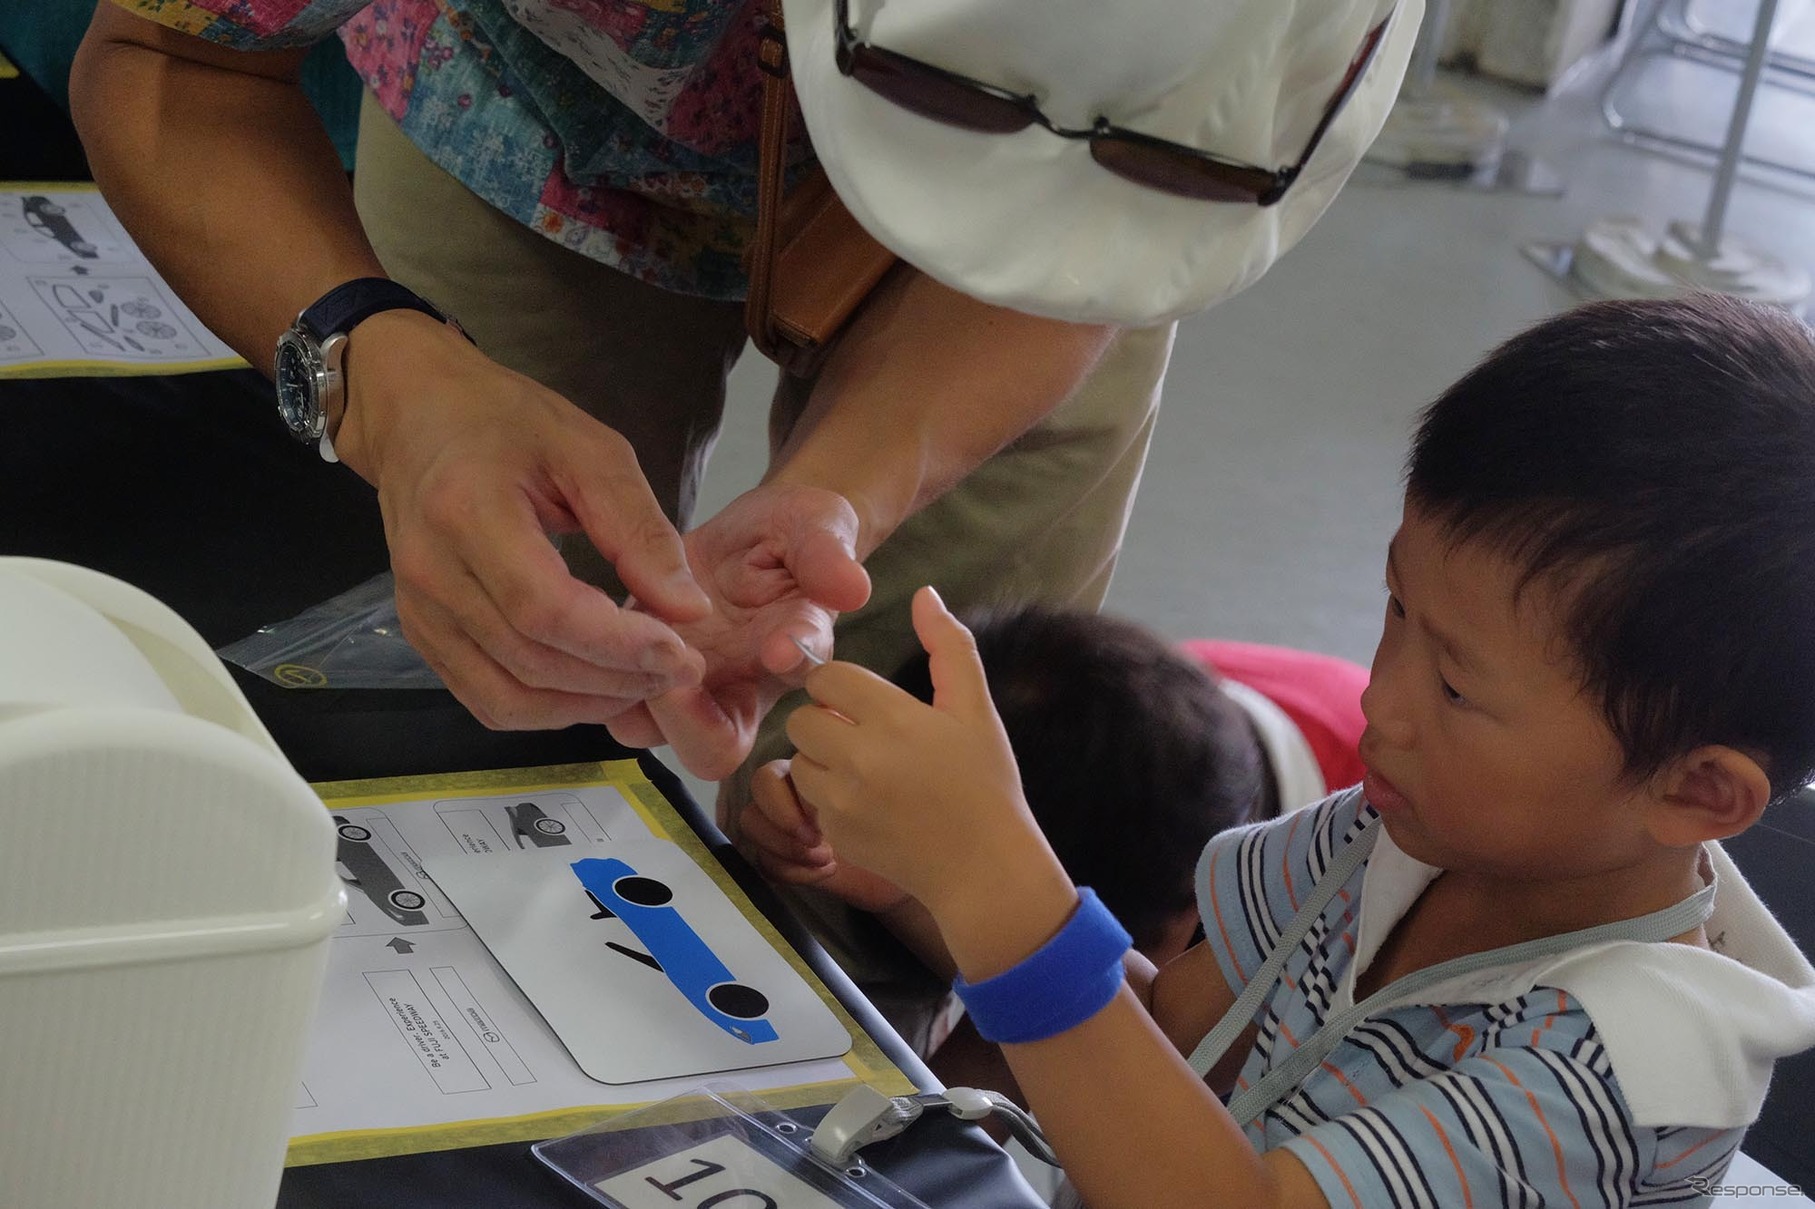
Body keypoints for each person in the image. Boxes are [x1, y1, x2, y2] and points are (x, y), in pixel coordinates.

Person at [66, 0, 1421, 796]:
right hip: (533, 113)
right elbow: (173, 64)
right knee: (486, 677)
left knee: (941, 781)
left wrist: (841, 496)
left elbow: (1086, 248)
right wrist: (400, 391)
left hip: (1059, 261)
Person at [779, 295, 1815, 1207]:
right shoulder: (1400, 832)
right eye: (1397, 609)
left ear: (1697, 790)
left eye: (1456, 684)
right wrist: (917, 879)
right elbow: (1168, 1043)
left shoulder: (1623, 1072)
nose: (1384, 700)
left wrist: (992, 880)